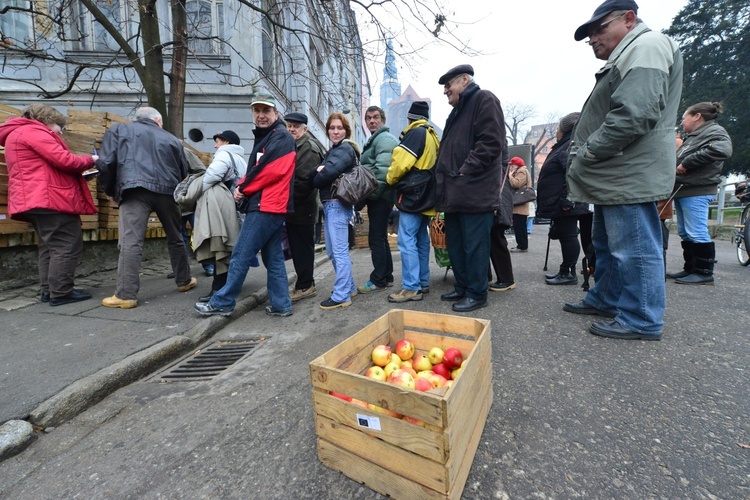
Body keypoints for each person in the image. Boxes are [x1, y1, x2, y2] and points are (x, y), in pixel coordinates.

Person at [564, 0, 683, 341]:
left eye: (599, 29)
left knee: (632, 246)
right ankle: (608, 298)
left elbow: (634, 114)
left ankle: (641, 317)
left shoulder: (645, 46)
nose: (592, 39)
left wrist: (587, 152)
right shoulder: (634, 50)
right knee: (608, 242)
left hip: (627, 170)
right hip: (616, 170)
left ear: (629, 19)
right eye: (589, 33)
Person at [194, 94, 296, 317]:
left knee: (240, 253)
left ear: (275, 114)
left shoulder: (280, 137)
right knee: (274, 258)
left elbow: (272, 170)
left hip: (265, 206)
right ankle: (281, 305)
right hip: (272, 206)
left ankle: (223, 301)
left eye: (266, 111)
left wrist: (243, 188)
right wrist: (244, 184)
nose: (261, 115)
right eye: (257, 111)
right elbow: (262, 170)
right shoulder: (272, 136)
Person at [98, 107, 195, 309]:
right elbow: (183, 169)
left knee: (131, 241)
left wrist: (111, 190)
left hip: (134, 188)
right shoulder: (171, 139)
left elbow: (106, 163)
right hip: (168, 191)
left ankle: (126, 294)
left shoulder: (119, 130)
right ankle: (184, 281)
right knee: (176, 236)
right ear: (158, 121)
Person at [0, 104, 97, 306]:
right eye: (59, 126)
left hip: (34, 198)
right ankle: (61, 292)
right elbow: (65, 160)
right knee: (66, 244)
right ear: (47, 120)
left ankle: (49, 291)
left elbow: (45, 169)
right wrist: (93, 159)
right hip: (48, 199)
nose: (61, 132)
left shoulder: (18, 133)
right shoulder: (34, 132)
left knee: (49, 246)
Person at [435, 64, 506, 313]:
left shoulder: (483, 99)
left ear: (464, 79)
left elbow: (491, 142)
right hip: (456, 192)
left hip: (474, 191)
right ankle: (463, 286)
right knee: (456, 245)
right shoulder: (457, 111)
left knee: (475, 246)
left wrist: (465, 169)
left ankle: (477, 293)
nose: (446, 91)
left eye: (449, 85)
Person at [667, 102, 733, 285]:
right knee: (686, 232)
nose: (682, 123)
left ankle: (704, 272)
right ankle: (690, 269)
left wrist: (687, 162)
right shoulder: (696, 135)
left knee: (696, 231)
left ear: (697, 116)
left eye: (684, 118)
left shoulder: (715, 132)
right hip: (685, 189)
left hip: (697, 189)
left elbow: (723, 150)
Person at [385, 101, 440, 303]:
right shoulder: (432, 135)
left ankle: (411, 287)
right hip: (427, 194)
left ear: (410, 118)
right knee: (420, 239)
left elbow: (400, 164)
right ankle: (422, 281)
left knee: (406, 239)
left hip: (412, 195)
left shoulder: (415, 133)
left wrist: (390, 179)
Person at [309, 113, 360, 310]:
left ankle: (342, 295)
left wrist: (315, 174)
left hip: (337, 204)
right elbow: (320, 171)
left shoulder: (344, 149)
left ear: (346, 131)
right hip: (333, 204)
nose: (335, 131)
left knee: (338, 252)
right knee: (332, 251)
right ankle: (349, 287)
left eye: (339, 128)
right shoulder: (336, 150)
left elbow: (325, 174)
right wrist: (317, 171)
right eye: (332, 128)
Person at [536, 112, 590, 286]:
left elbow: (571, 174)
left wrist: (567, 200)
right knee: (567, 235)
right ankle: (566, 270)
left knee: (568, 236)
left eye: (559, 128)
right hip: (561, 201)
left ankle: (568, 272)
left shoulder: (567, 147)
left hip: (565, 203)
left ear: (565, 130)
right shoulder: (565, 145)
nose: (557, 132)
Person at [193, 130, 247, 302]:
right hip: (236, 206)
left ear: (226, 142)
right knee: (231, 248)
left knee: (220, 247)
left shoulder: (223, 155)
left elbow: (212, 176)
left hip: (222, 207)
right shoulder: (240, 159)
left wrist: (195, 190)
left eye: (217, 141)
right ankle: (228, 287)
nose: (215, 146)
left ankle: (218, 290)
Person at [284, 112, 327, 303]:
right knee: (299, 247)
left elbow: (304, 183)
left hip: (302, 207)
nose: (292, 129)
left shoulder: (308, 148)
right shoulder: (295, 145)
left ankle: (305, 286)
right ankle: (304, 283)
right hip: (296, 206)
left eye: (296, 126)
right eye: (289, 125)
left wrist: (284, 201)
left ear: (305, 129)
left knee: (302, 248)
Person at [357, 106, 399, 294]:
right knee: (380, 237)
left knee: (376, 238)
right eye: (368, 118)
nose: (372, 121)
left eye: (375, 117)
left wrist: (370, 196)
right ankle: (387, 275)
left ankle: (378, 279)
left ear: (382, 119)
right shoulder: (376, 139)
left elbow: (382, 172)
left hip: (380, 196)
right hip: (379, 195)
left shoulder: (384, 139)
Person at [488, 144, 516, 292]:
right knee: (492, 240)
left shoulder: (498, 165)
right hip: (499, 201)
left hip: (497, 203)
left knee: (496, 240)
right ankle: (494, 278)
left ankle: (506, 279)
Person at [508, 156, 531, 252]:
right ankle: (521, 245)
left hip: (520, 204)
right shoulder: (522, 171)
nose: (510, 167)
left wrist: (510, 175)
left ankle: (522, 246)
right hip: (519, 204)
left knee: (519, 226)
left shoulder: (521, 171)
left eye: (511, 165)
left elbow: (516, 184)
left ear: (516, 166)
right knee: (520, 226)